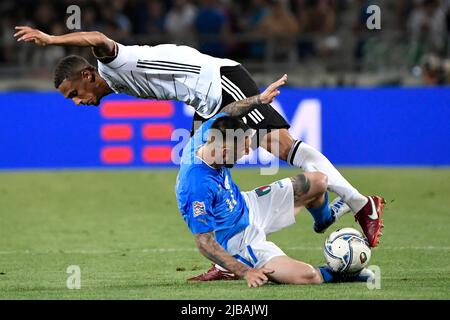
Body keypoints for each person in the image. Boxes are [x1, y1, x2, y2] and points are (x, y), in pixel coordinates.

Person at [14, 26, 385, 280]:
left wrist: (50, 39)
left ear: (87, 77)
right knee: (208, 172)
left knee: (283, 146)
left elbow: (96, 37)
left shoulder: (113, 63)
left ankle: (358, 204)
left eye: (73, 94)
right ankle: (233, 260)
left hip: (221, 83)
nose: (77, 102)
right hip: (204, 102)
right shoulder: (113, 80)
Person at [176, 75, 374, 287]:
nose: (245, 152)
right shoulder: (196, 186)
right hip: (240, 239)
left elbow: (230, 110)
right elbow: (204, 242)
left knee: (319, 180)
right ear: (224, 151)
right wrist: (245, 272)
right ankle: (341, 273)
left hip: (248, 204)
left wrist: (259, 99)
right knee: (308, 277)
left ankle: (325, 219)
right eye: (241, 150)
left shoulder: (207, 134)